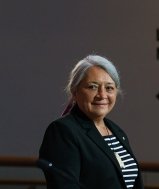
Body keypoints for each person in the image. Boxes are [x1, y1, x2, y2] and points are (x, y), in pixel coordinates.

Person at [39, 55, 144, 189]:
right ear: (75, 91)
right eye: (92, 87)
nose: (102, 95)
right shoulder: (63, 131)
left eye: (109, 88)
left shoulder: (117, 131)